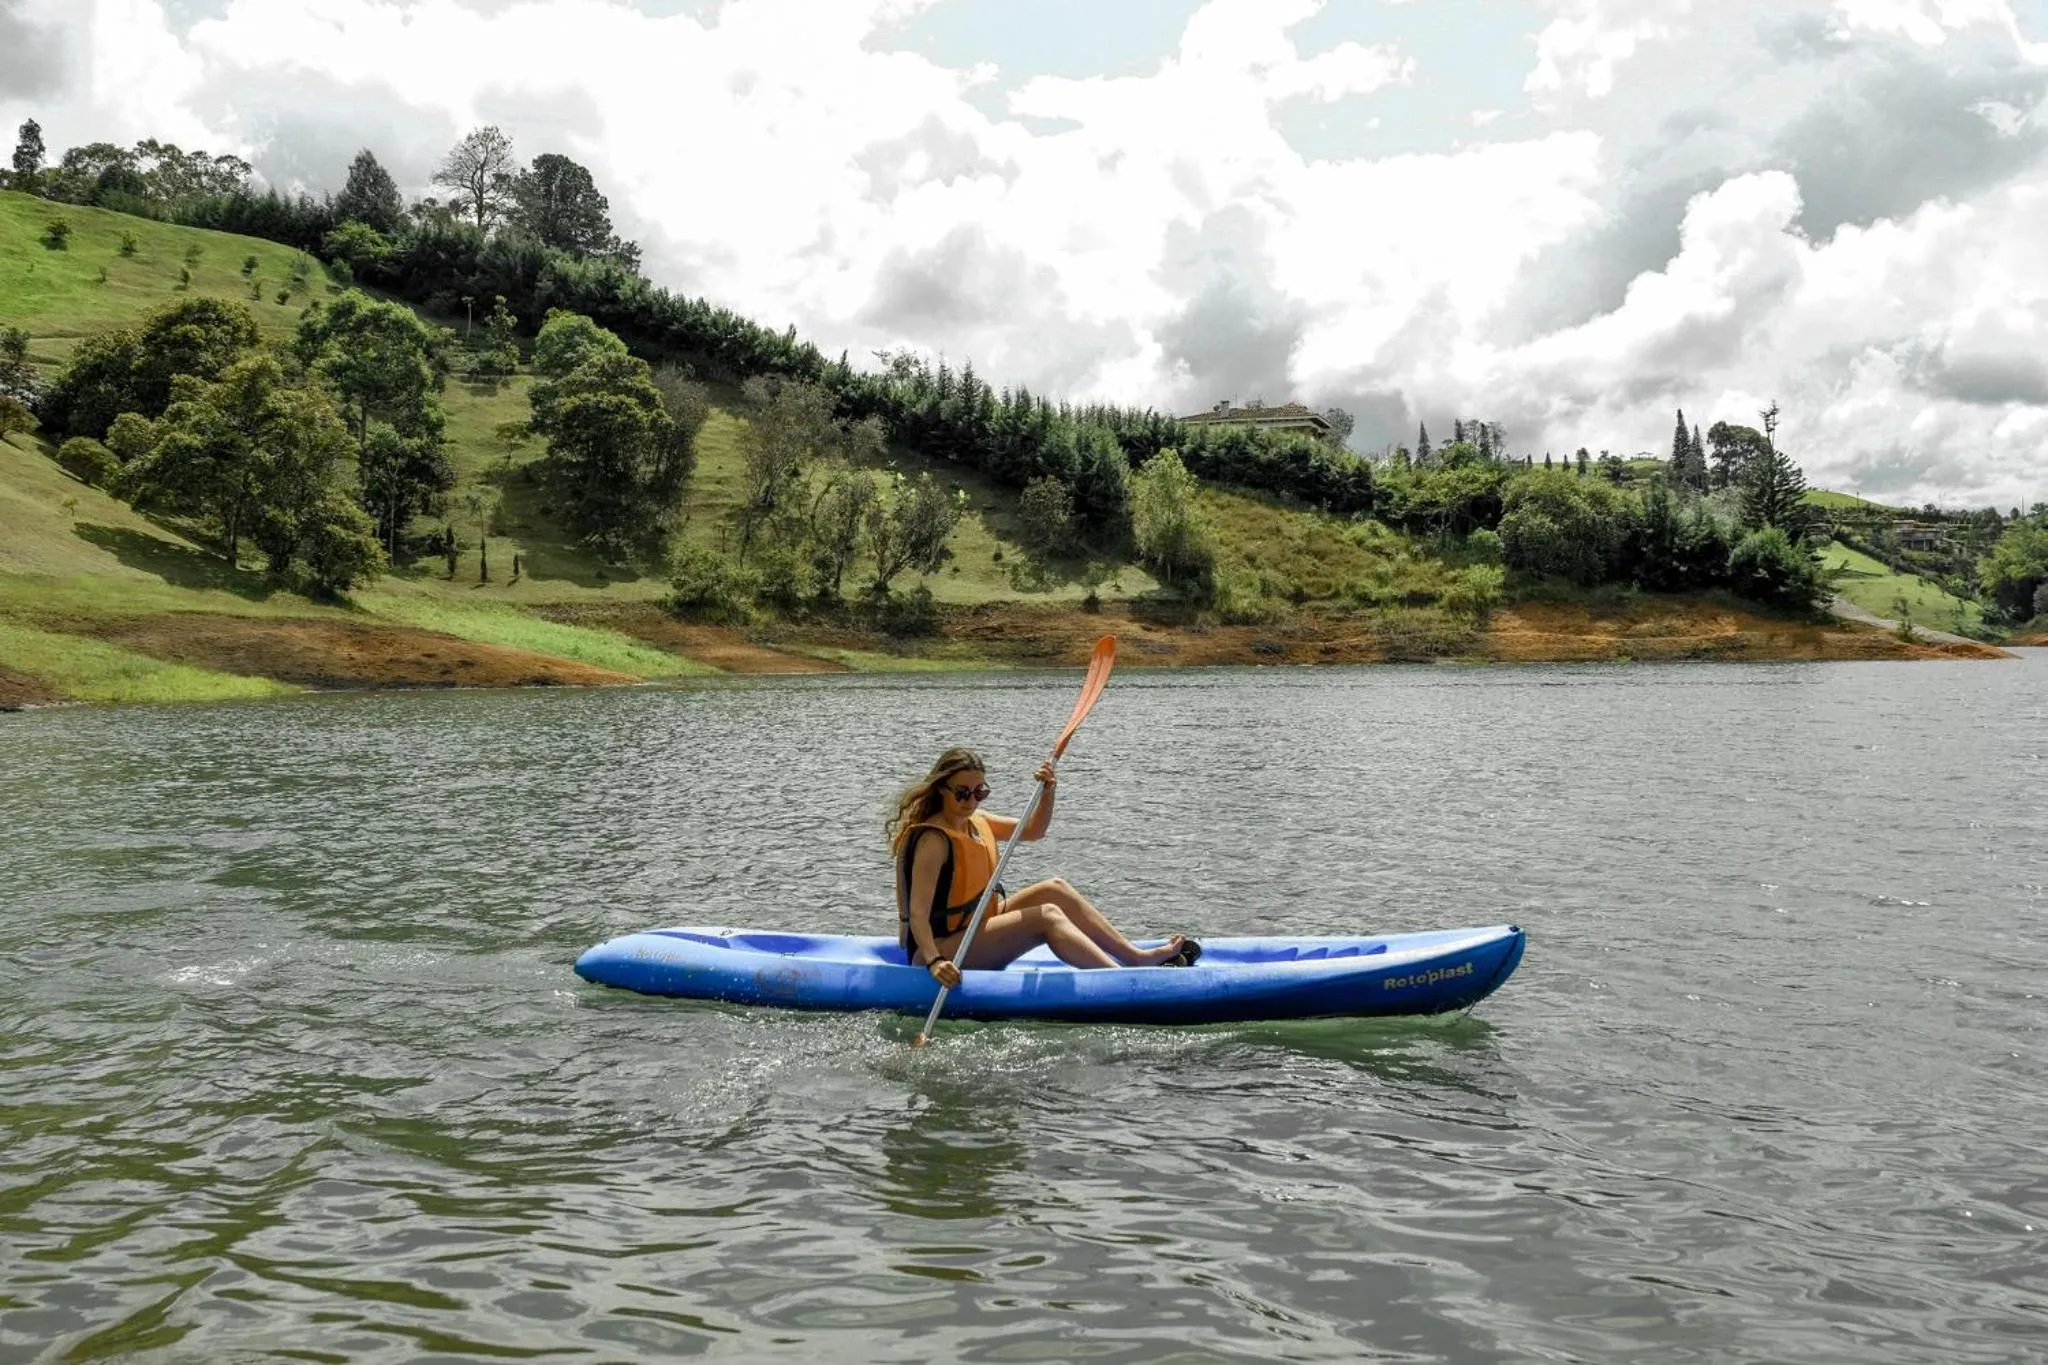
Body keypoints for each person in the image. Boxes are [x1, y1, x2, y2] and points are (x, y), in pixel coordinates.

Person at [888, 746, 1201, 987]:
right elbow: (918, 914)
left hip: (973, 928)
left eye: (980, 792)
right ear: (941, 789)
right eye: (962, 792)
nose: (972, 800)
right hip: (944, 948)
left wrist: (1048, 792)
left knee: (1055, 889)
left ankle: (1134, 958)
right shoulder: (933, 840)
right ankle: (1121, 983)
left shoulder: (977, 822)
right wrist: (934, 961)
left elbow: (1034, 831)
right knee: (1046, 917)